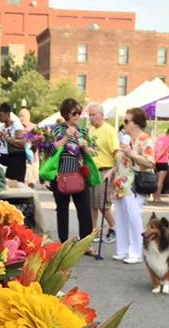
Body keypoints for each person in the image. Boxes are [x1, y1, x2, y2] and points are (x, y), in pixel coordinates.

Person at [111, 107, 155, 263]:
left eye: (127, 121)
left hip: (135, 184)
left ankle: (135, 252)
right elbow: (120, 161)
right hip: (121, 183)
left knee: (133, 217)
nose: (124, 124)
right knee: (121, 217)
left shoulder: (145, 140)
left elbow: (150, 163)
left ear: (136, 123)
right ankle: (123, 249)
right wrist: (112, 171)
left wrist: (131, 153)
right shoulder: (125, 139)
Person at [49, 97, 94, 243]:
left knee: (85, 211)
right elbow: (51, 150)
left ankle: (85, 242)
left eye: (79, 113)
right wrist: (66, 137)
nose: (77, 116)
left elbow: (92, 152)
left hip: (79, 175)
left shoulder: (83, 131)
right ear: (66, 114)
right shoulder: (57, 129)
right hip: (61, 175)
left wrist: (86, 147)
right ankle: (64, 243)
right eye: (74, 113)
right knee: (62, 211)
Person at [86, 102, 119, 243]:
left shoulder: (109, 131)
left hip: (104, 170)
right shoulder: (90, 130)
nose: (91, 118)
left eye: (93, 115)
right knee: (91, 204)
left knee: (102, 203)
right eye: (89, 115)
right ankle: (94, 232)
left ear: (101, 115)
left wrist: (113, 171)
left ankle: (114, 227)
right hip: (91, 170)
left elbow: (116, 153)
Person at [0, 102, 27, 183]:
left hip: (15, 159)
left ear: (7, 114)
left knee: (15, 184)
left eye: (0, 115)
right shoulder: (1, 127)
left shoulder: (16, 126)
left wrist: (7, 138)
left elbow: (23, 143)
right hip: (2, 158)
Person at [154, 127, 169, 203]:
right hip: (163, 162)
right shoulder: (168, 141)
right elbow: (163, 151)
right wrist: (158, 158)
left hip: (156, 161)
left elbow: (155, 149)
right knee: (160, 181)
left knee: (156, 180)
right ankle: (157, 197)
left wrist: (155, 159)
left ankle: (154, 196)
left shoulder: (159, 139)